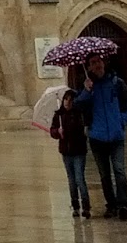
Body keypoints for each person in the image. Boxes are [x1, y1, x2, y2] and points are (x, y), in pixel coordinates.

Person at [75, 55, 127, 220]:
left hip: (116, 136)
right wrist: (86, 91)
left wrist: (121, 122)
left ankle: (123, 205)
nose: (97, 65)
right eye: (93, 63)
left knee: (119, 170)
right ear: (89, 67)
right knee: (104, 174)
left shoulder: (117, 83)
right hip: (97, 137)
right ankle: (111, 205)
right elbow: (78, 106)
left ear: (104, 63)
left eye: (99, 61)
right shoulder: (86, 86)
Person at [49, 88, 91, 219]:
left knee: (79, 178)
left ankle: (86, 206)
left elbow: (81, 131)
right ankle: (75, 206)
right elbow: (52, 131)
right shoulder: (59, 115)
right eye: (66, 99)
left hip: (78, 151)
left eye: (70, 99)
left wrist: (68, 130)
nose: (68, 102)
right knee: (71, 180)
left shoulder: (79, 114)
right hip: (66, 152)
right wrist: (58, 132)